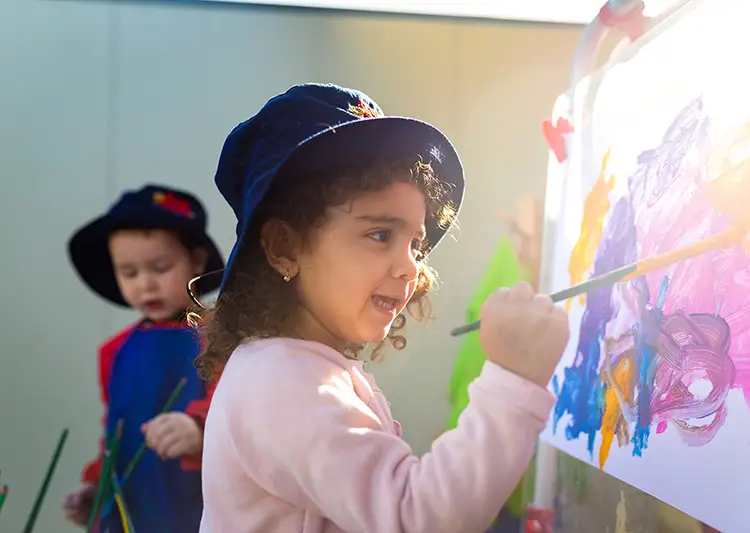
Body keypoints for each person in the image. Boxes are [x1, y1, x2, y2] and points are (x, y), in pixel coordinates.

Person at [193, 83, 570, 533]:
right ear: (283, 247)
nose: (411, 266)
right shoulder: (280, 378)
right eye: (380, 235)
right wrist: (514, 380)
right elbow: (415, 518)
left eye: (416, 243)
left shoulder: (296, 368)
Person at [62, 184, 224, 533]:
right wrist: (96, 486)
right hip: (130, 508)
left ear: (197, 261)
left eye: (160, 267)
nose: (146, 284)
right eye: (129, 273)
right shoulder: (114, 351)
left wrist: (198, 428)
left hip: (196, 507)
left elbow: (237, 408)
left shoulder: (221, 337)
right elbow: (115, 431)